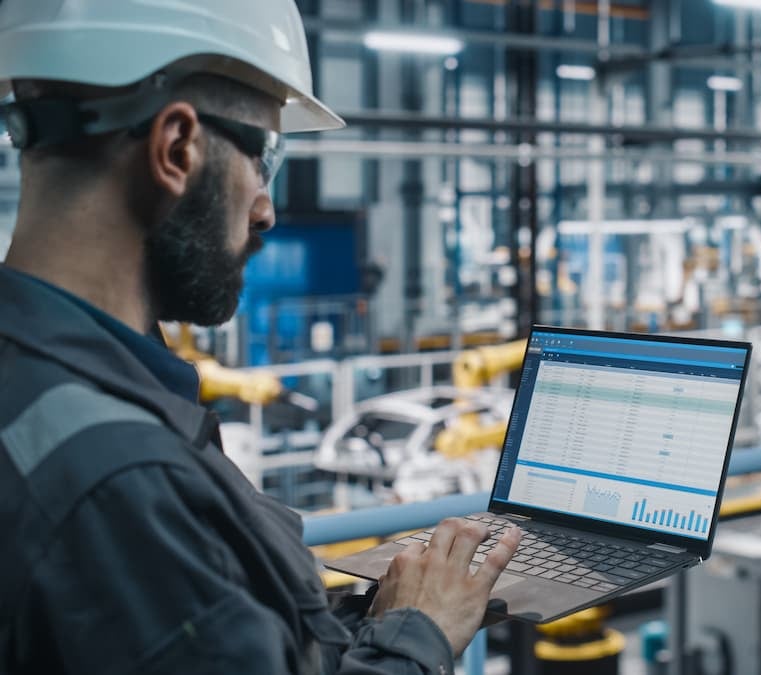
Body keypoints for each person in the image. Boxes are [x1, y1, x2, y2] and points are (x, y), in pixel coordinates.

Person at [0, 1, 521, 673]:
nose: (267, 209)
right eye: (264, 158)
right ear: (176, 147)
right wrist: (421, 634)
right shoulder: (121, 484)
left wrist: (384, 618)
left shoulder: (48, 384)